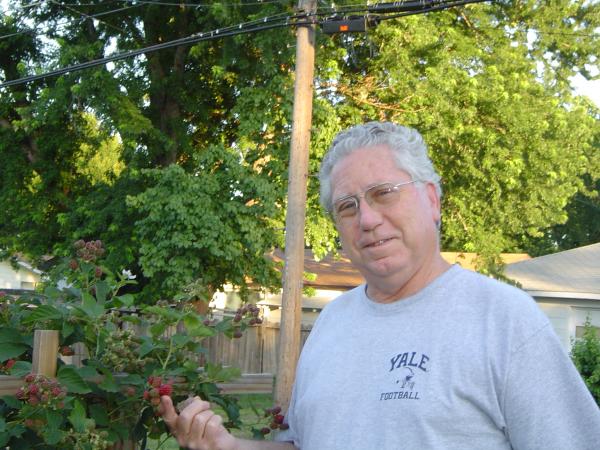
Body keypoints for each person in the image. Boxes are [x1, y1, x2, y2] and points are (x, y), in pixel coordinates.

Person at [159, 122, 600, 449]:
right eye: (347, 206)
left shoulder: (505, 321)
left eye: (384, 193)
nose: (367, 219)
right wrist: (231, 447)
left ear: (431, 198)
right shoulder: (331, 324)